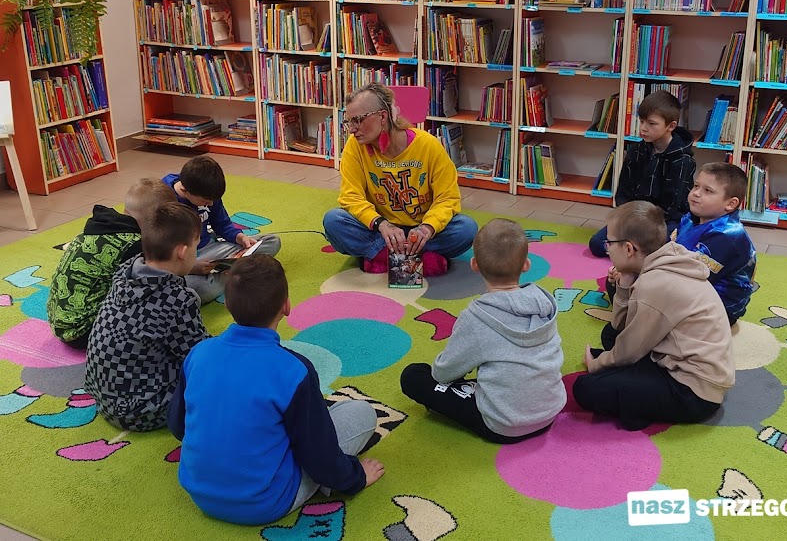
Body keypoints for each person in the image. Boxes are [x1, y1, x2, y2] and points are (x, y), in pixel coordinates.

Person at [168, 255, 384, 525]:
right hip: (265, 501)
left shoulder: (199, 353)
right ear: (286, 306)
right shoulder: (294, 370)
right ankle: (320, 484)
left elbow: (179, 426)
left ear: (228, 305)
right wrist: (356, 478)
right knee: (361, 412)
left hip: (199, 491)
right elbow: (320, 456)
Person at [573, 201, 735, 431]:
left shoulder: (654, 284)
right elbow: (621, 327)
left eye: (609, 243)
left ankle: (640, 408)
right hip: (679, 360)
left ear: (629, 249)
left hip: (693, 392)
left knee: (586, 388)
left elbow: (629, 349)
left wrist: (597, 365)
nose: (607, 248)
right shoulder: (669, 255)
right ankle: (636, 390)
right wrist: (624, 284)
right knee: (610, 335)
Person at [400, 219, 565, 443]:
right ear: (526, 264)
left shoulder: (477, 317)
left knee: (414, 376)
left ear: (474, 264)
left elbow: (444, 373)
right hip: (549, 412)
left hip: (503, 425)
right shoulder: (545, 304)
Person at [323, 83, 478, 276]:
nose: (352, 129)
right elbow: (351, 197)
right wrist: (381, 224)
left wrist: (427, 228)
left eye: (358, 120)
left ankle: (380, 256)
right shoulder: (355, 147)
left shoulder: (428, 145)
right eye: (348, 122)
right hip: (382, 230)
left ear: (382, 116)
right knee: (333, 221)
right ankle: (420, 259)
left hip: (421, 229)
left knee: (467, 228)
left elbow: (447, 198)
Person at [84, 203, 211, 432]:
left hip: (103, 397)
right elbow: (200, 356)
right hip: (141, 411)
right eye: (196, 246)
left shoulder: (126, 271)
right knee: (222, 378)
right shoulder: (177, 300)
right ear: (182, 252)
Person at [47, 178, 175, 349]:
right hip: (83, 330)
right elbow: (147, 287)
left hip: (60, 319)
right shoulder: (133, 245)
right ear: (156, 221)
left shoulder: (99, 228)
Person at [589, 90, 696, 257]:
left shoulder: (683, 160)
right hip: (635, 217)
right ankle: (635, 247)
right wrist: (627, 219)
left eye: (652, 124)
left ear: (671, 126)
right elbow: (623, 191)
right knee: (597, 245)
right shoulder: (636, 151)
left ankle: (637, 247)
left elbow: (672, 205)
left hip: (664, 221)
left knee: (662, 249)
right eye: (642, 121)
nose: (644, 128)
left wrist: (643, 225)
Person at [163, 155, 281, 304]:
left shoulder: (207, 189)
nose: (211, 204)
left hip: (211, 248)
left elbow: (222, 224)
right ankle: (238, 274)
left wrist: (240, 237)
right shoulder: (164, 199)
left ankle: (228, 272)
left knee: (272, 241)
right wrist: (191, 267)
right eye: (205, 201)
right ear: (185, 191)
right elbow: (160, 255)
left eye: (213, 200)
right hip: (183, 260)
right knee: (199, 290)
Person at [673, 162, 757, 326]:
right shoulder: (691, 218)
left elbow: (694, 277)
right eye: (696, 186)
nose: (696, 193)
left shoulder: (727, 236)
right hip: (691, 288)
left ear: (730, 204)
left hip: (720, 308)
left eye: (708, 191)